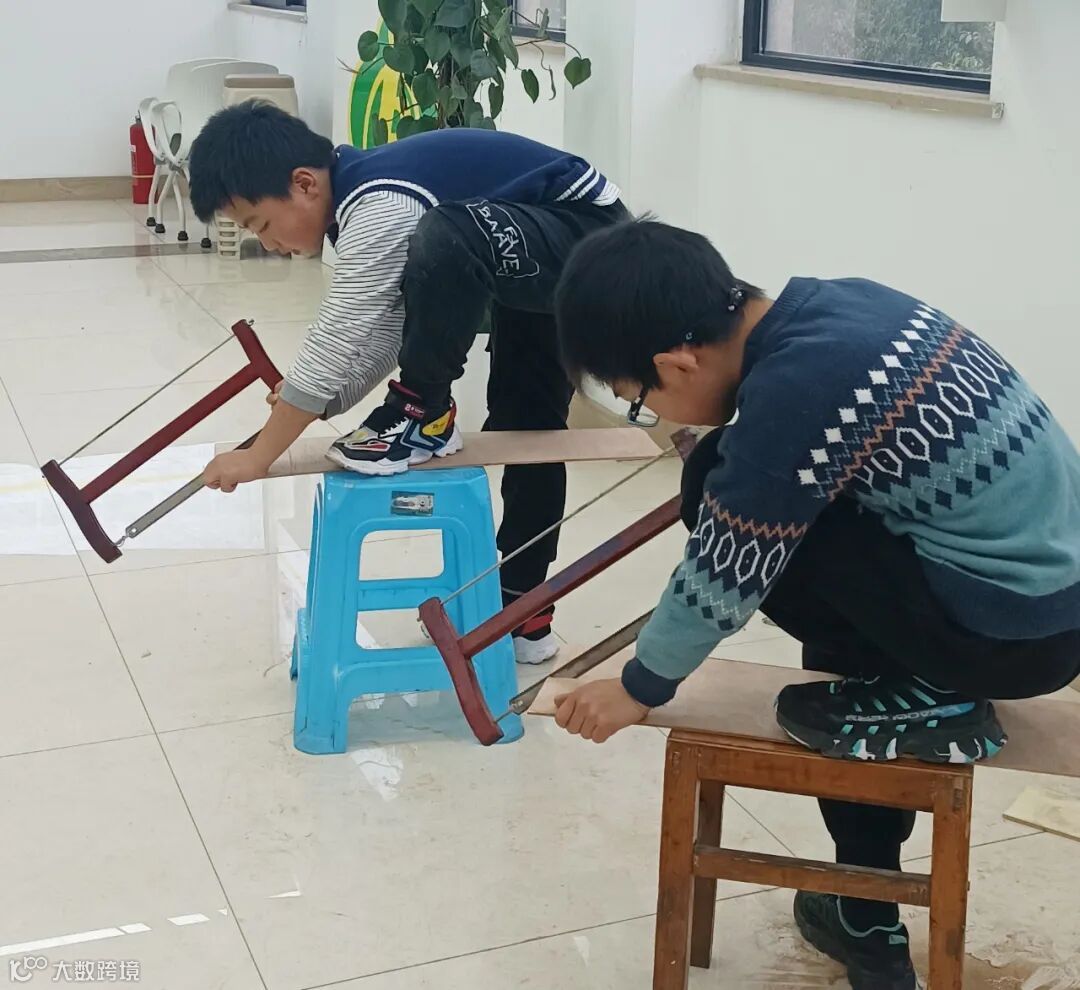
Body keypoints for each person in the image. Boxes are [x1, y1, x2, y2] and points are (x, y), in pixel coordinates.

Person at [550, 218, 1080, 990]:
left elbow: (724, 571)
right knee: (785, 523)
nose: (656, 415)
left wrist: (639, 687)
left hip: (1008, 634)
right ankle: (864, 905)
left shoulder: (794, 394)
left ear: (676, 362)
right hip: (1051, 605)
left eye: (641, 401)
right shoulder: (846, 306)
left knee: (725, 495)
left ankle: (923, 728)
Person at [188, 101, 629, 665]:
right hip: (530, 248)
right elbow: (394, 325)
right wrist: (327, 401)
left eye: (261, 226)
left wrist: (260, 455)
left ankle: (425, 412)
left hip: (592, 242)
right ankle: (524, 607)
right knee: (528, 428)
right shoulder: (365, 201)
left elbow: (339, 331)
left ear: (303, 184)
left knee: (449, 232)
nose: (268, 245)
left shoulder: (379, 203)